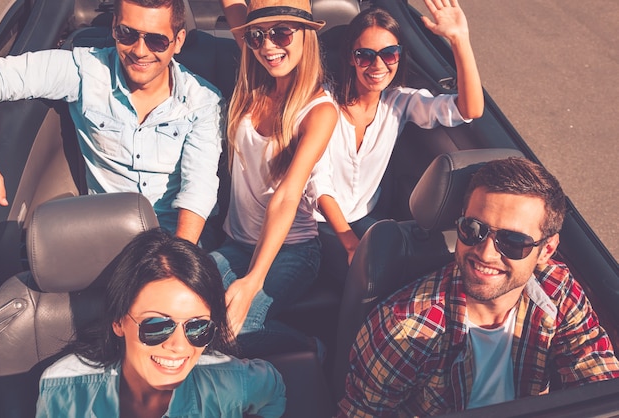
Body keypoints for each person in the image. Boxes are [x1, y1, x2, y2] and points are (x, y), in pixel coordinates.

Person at [337, 157, 619, 417]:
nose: (485, 253)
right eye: (474, 229)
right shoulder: (404, 328)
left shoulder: (555, 288)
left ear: (546, 250)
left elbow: (594, 368)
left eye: (513, 242)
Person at [0, 0, 223, 246]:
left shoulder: (203, 101)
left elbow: (198, 190)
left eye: (156, 40)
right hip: (108, 239)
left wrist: (177, 261)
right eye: (127, 34)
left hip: (177, 238)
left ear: (178, 41)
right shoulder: (88, 72)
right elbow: (3, 76)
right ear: (114, 26)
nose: (139, 51)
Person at [313, 1, 484, 281]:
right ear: (350, 58)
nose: (378, 65)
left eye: (389, 54)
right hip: (318, 222)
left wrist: (459, 40)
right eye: (365, 55)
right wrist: (350, 243)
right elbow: (317, 184)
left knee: (415, 267)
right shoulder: (323, 103)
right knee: (366, 274)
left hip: (362, 215)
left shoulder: (399, 102)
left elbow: (470, 110)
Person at [35, 228, 286, 418]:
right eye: (156, 326)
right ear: (118, 321)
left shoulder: (229, 383)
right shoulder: (64, 391)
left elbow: (274, 390)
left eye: (198, 327)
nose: (179, 345)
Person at [213, 0, 337, 358]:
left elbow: (287, 196)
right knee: (181, 307)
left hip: (292, 250)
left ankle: (311, 350)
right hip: (236, 244)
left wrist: (253, 280)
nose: (268, 45)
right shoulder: (256, 76)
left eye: (281, 32)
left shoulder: (319, 111)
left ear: (306, 36)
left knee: (235, 332)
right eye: (257, 35)